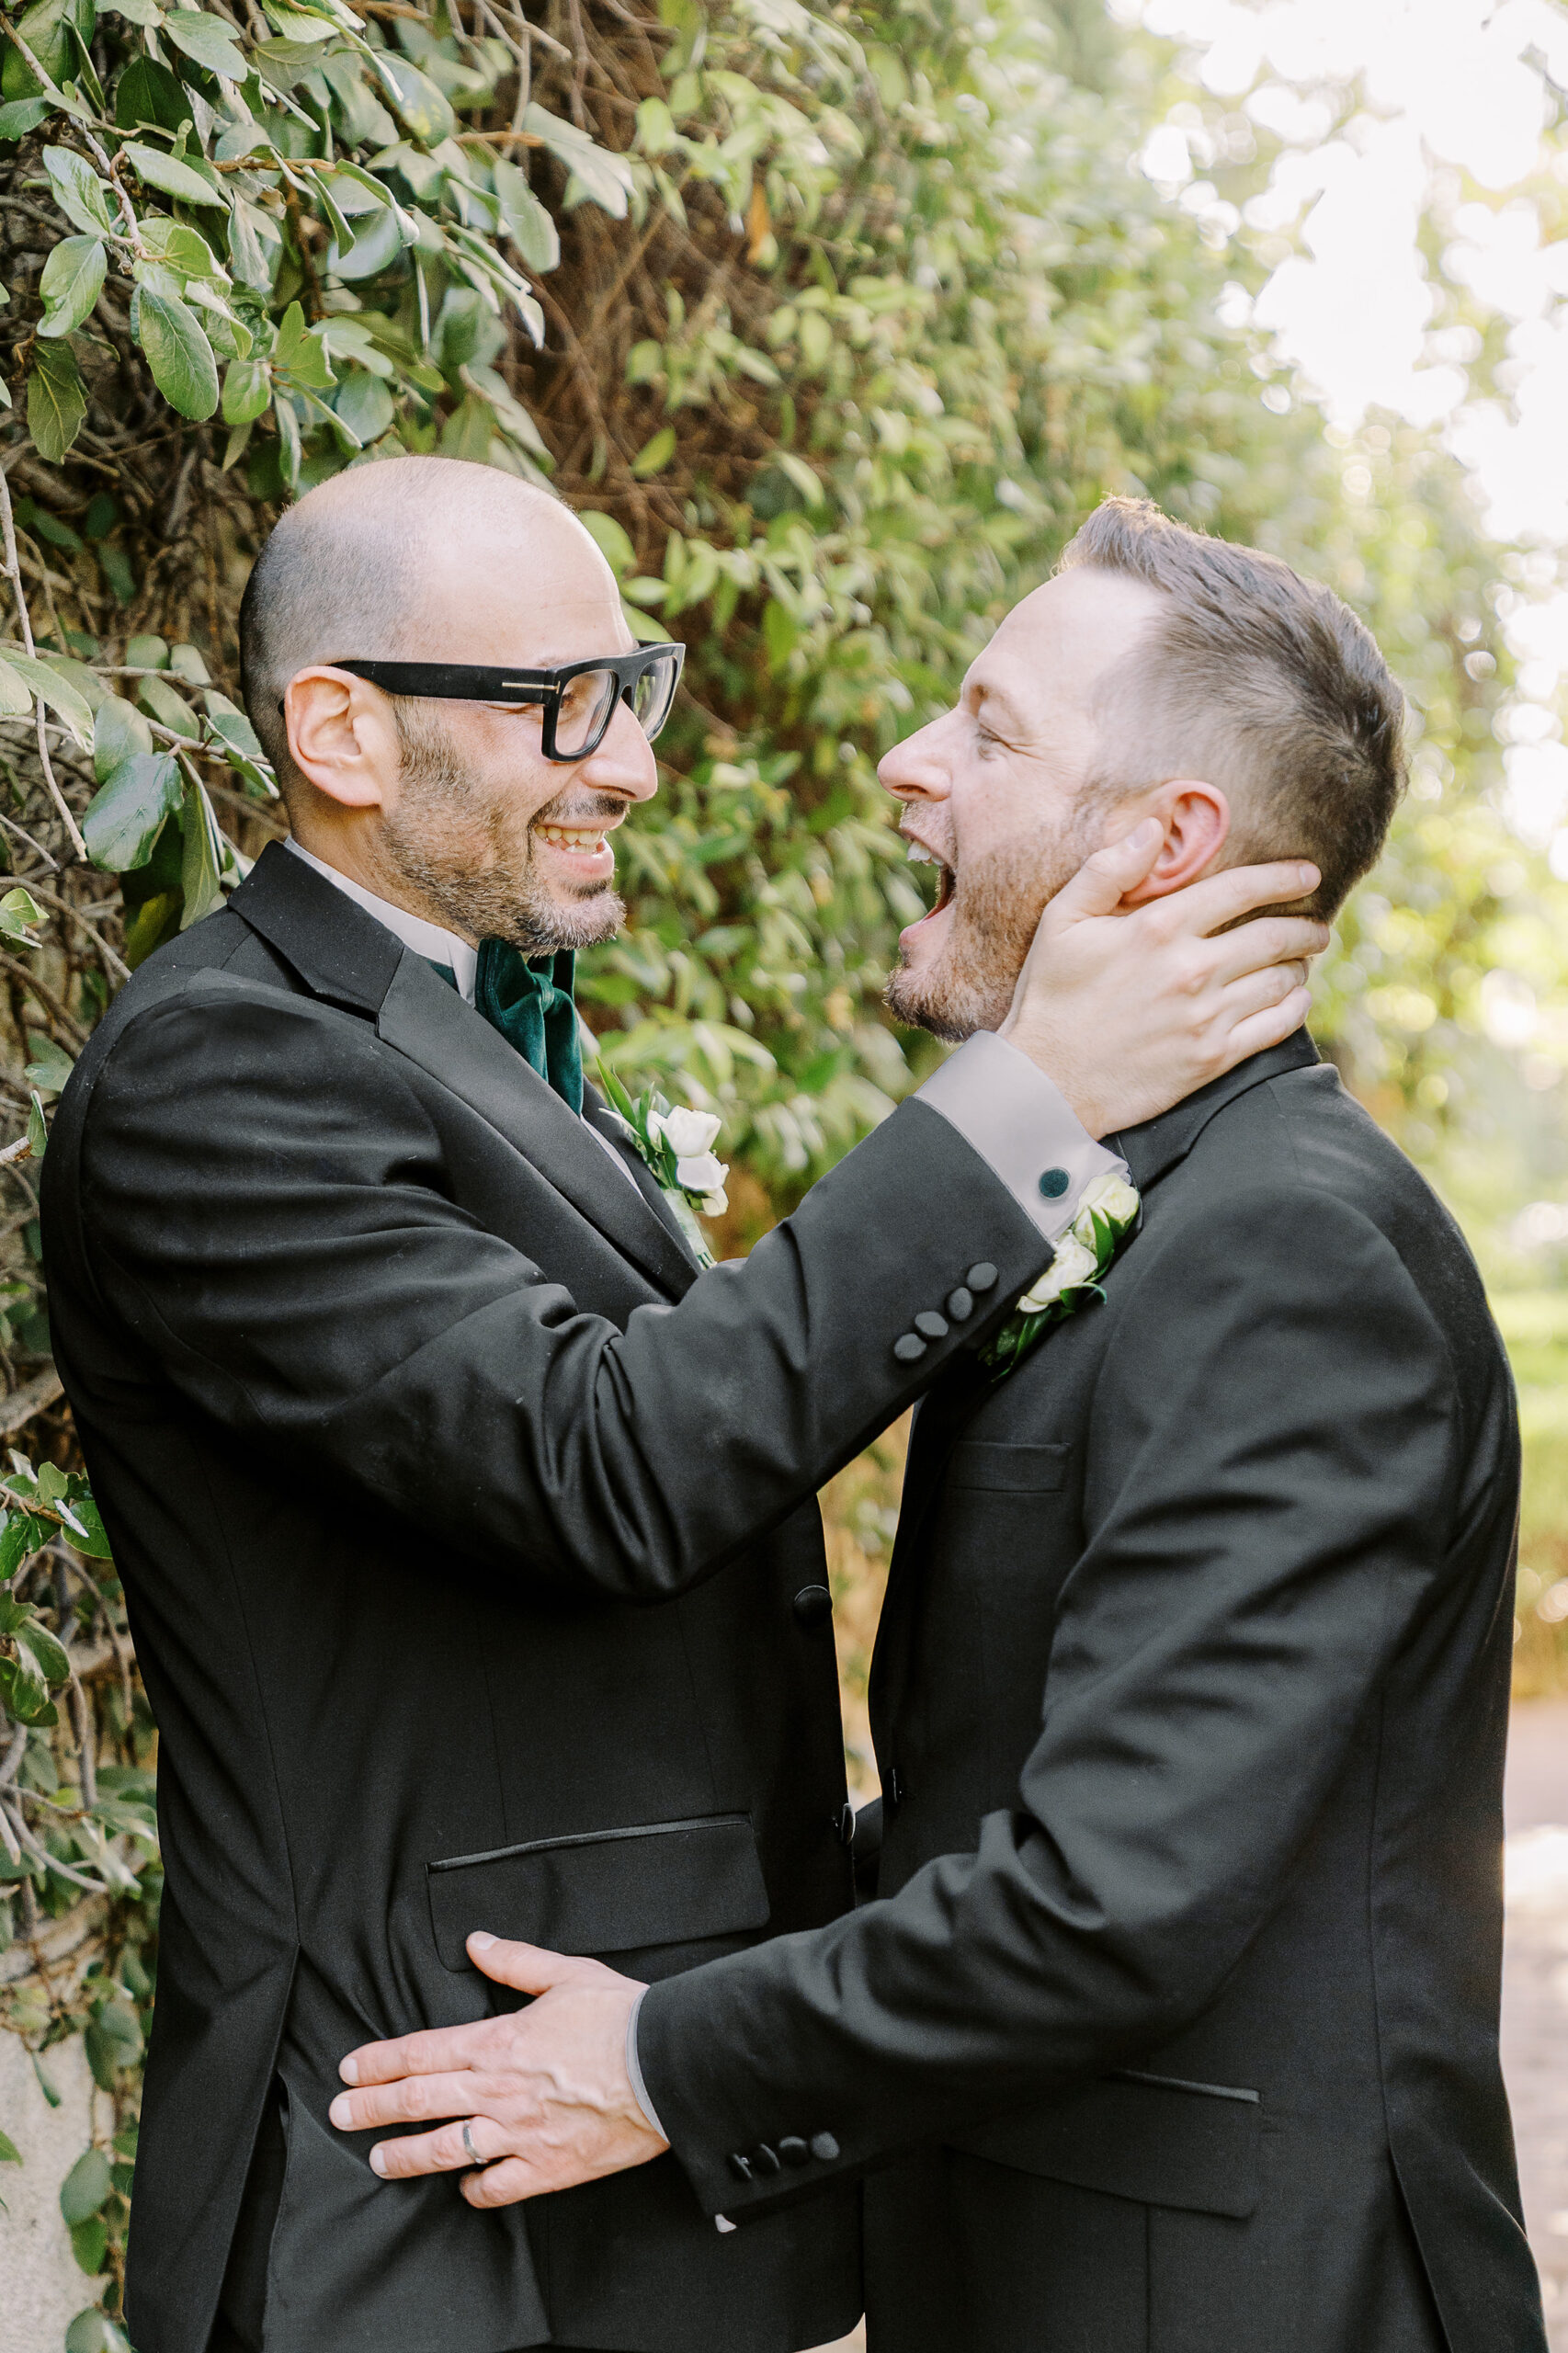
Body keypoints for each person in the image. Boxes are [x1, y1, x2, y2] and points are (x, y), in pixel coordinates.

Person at [40, 461, 1321, 2353]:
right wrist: (1026, 1101)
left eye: (630, 687)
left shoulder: (463, 1032)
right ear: (341, 732)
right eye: (565, 703)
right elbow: (603, 1462)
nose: (631, 760)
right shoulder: (216, 1070)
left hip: (600, 2168)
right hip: (408, 2195)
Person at [333, 498, 1548, 2353]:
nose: (908, 765)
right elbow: (1019, 1789)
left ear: (1165, 842)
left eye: (986, 730)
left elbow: (1107, 1896)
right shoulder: (1126, 1204)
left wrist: (656, 2058)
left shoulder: (1292, 1246)